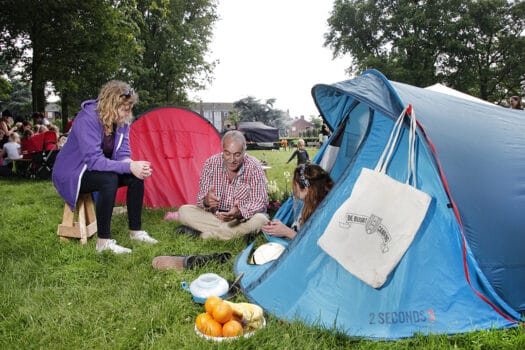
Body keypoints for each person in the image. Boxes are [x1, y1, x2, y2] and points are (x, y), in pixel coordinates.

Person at [52, 80, 158, 254]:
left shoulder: (122, 122)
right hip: (73, 173)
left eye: (130, 107)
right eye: (125, 108)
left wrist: (134, 166)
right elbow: (94, 161)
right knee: (109, 179)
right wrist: (129, 167)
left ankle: (136, 232)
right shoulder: (87, 119)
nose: (128, 112)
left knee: (136, 176)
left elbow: (123, 154)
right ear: (111, 105)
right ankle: (103, 243)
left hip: (94, 168)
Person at [176, 130, 269, 240]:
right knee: (184, 211)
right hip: (215, 217)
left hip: (241, 219)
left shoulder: (254, 166)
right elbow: (201, 201)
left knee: (260, 220)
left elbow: (260, 202)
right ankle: (231, 234)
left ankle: (208, 235)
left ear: (244, 151)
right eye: (227, 153)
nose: (232, 159)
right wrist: (206, 201)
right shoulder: (211, 164)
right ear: (222, 150)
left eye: (237, 154)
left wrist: (240, 212)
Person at [261, 163, 334, 240]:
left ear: (305, 190)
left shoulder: (323, 212)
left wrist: (286, 232)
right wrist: (279, 228)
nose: (293, 189)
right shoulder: (308, 203)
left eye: (295, 185)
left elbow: (313, 245)